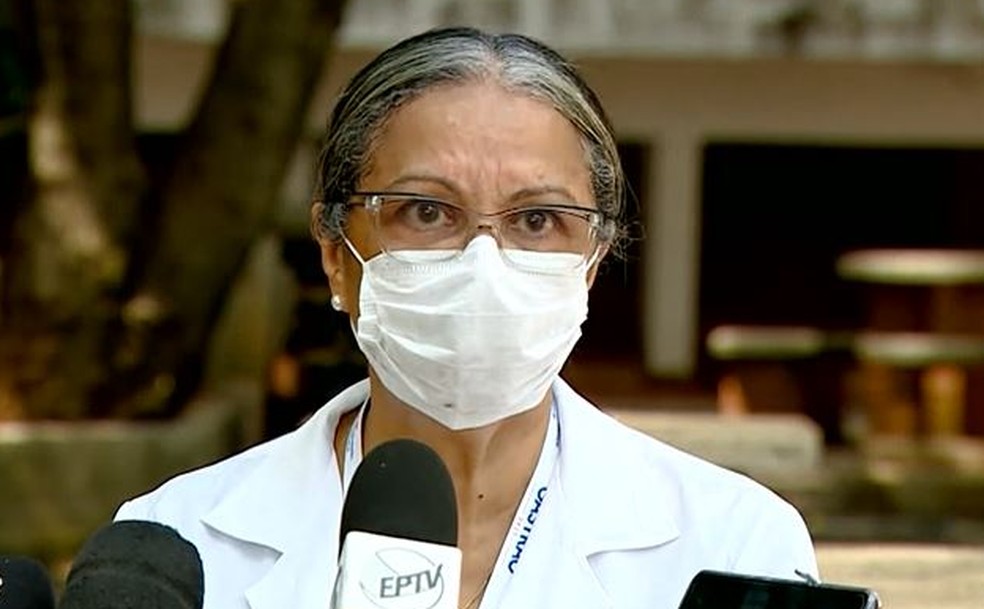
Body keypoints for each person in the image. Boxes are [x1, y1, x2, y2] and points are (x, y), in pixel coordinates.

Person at [114, 26, 818, 609]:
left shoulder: (734, 546)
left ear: (591, 262)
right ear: (336, 255)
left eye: (536, 220)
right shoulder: (175, 548)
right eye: (427, 212)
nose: (484, 263)